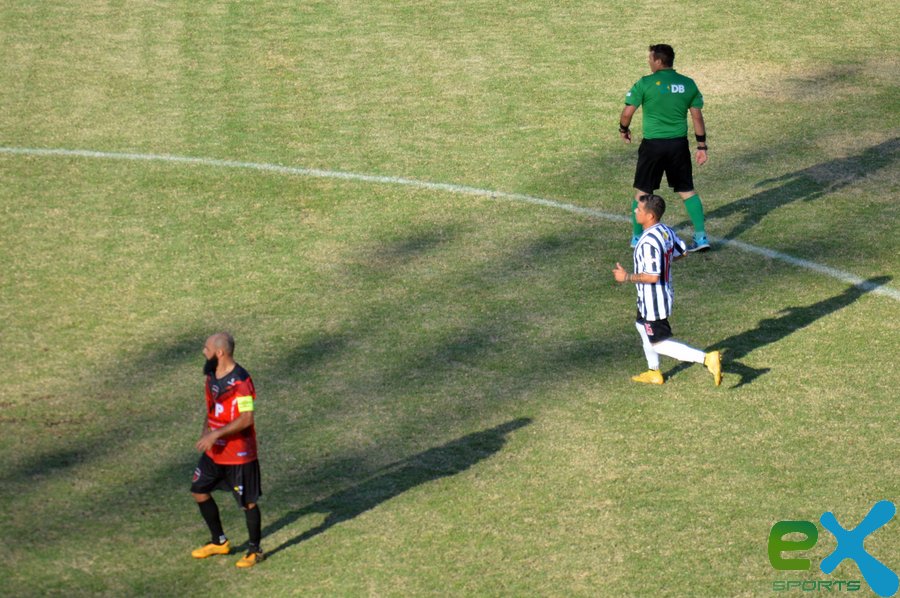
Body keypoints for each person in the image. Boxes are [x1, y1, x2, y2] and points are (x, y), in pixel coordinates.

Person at [613, 194, 722, 386]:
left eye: (639, 209)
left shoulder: (648, 242)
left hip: (653, 299)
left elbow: (652, 276)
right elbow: (683, 252)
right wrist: (664, 262)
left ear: (650, 216)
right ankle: (653, 371)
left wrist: (627, 277)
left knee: (658, 343)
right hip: (653, 295)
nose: (635, 211)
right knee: (641, 326)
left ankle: (706, 359)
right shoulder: (665, 231)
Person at [619, 43, 711, 252]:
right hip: (678, 145)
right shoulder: (688, 84)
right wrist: (702, 146)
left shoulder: (645, 83)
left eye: (650, 59)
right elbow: (697, 117)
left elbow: (627, 113)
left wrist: (623, 129)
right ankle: (701, 237)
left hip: (652, 145)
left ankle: (637, 237)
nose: (649, 62)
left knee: (643, 191)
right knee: (686, 190)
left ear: (659, 61)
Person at [190, 332, 265, 568]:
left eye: (207, 348)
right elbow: (211, 408)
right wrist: (206, 431)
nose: (204, 352)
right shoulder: (211, 375)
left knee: (247, 503)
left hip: (238, 454)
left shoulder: (241, 381)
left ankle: (255, 550)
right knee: (199, 491)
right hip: (215, 452)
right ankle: (219, 541)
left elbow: (246, 418)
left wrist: (215, 434)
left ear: (220, 352)